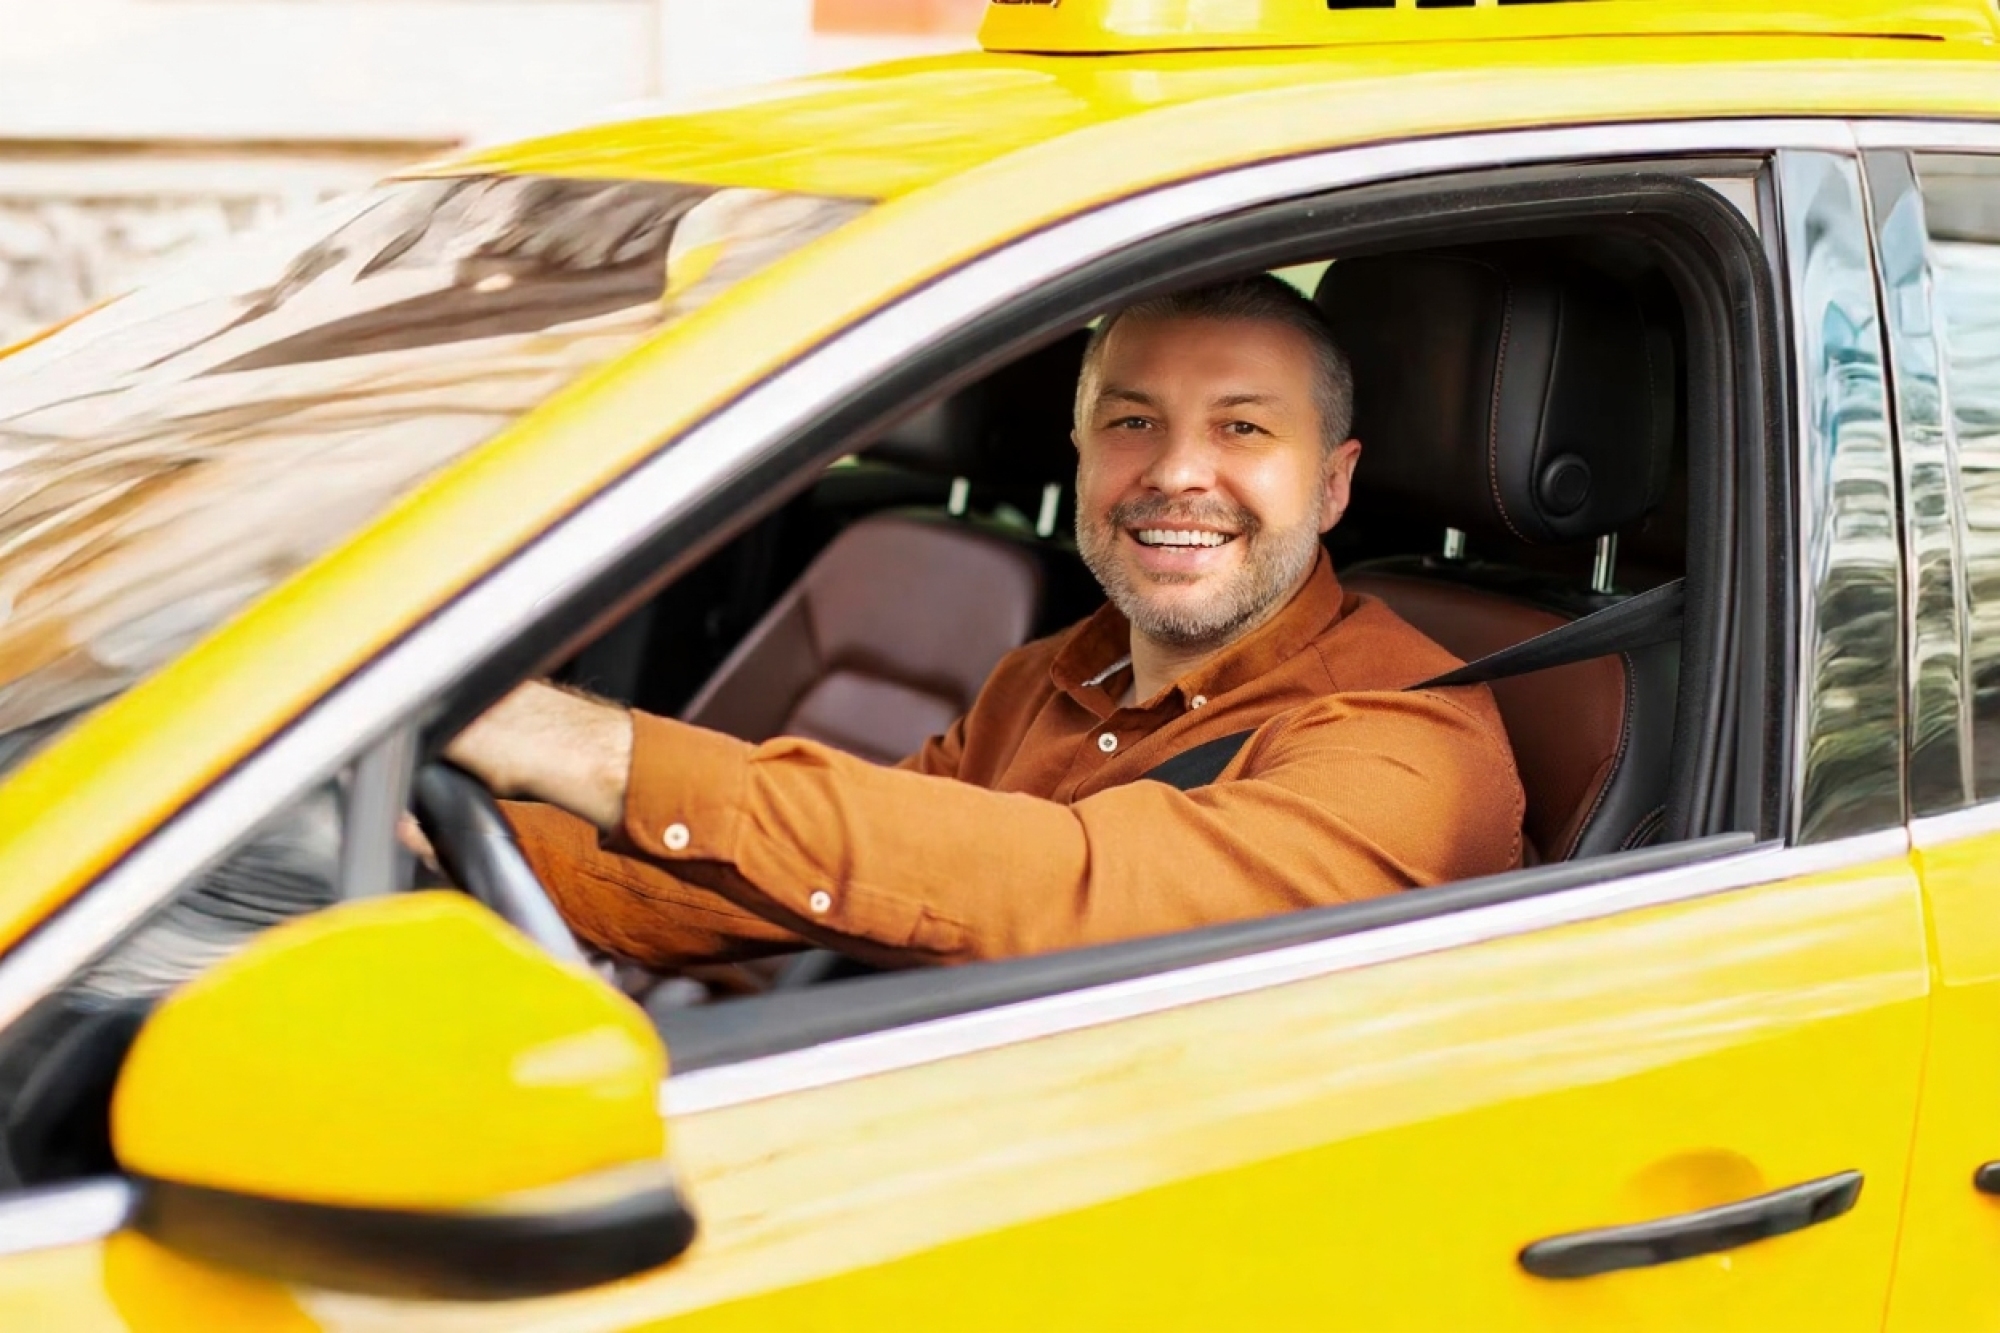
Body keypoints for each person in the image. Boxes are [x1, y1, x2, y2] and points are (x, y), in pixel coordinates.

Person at [436, 276, 1525, 971]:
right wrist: (460, 862)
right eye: (1131, 422)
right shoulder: (1057, 673)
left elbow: (1068, 888)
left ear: (1332, 485)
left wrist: (594, 750)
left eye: (1241, 428)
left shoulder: (1408, 738)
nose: (1176, 471)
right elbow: (828, 876)